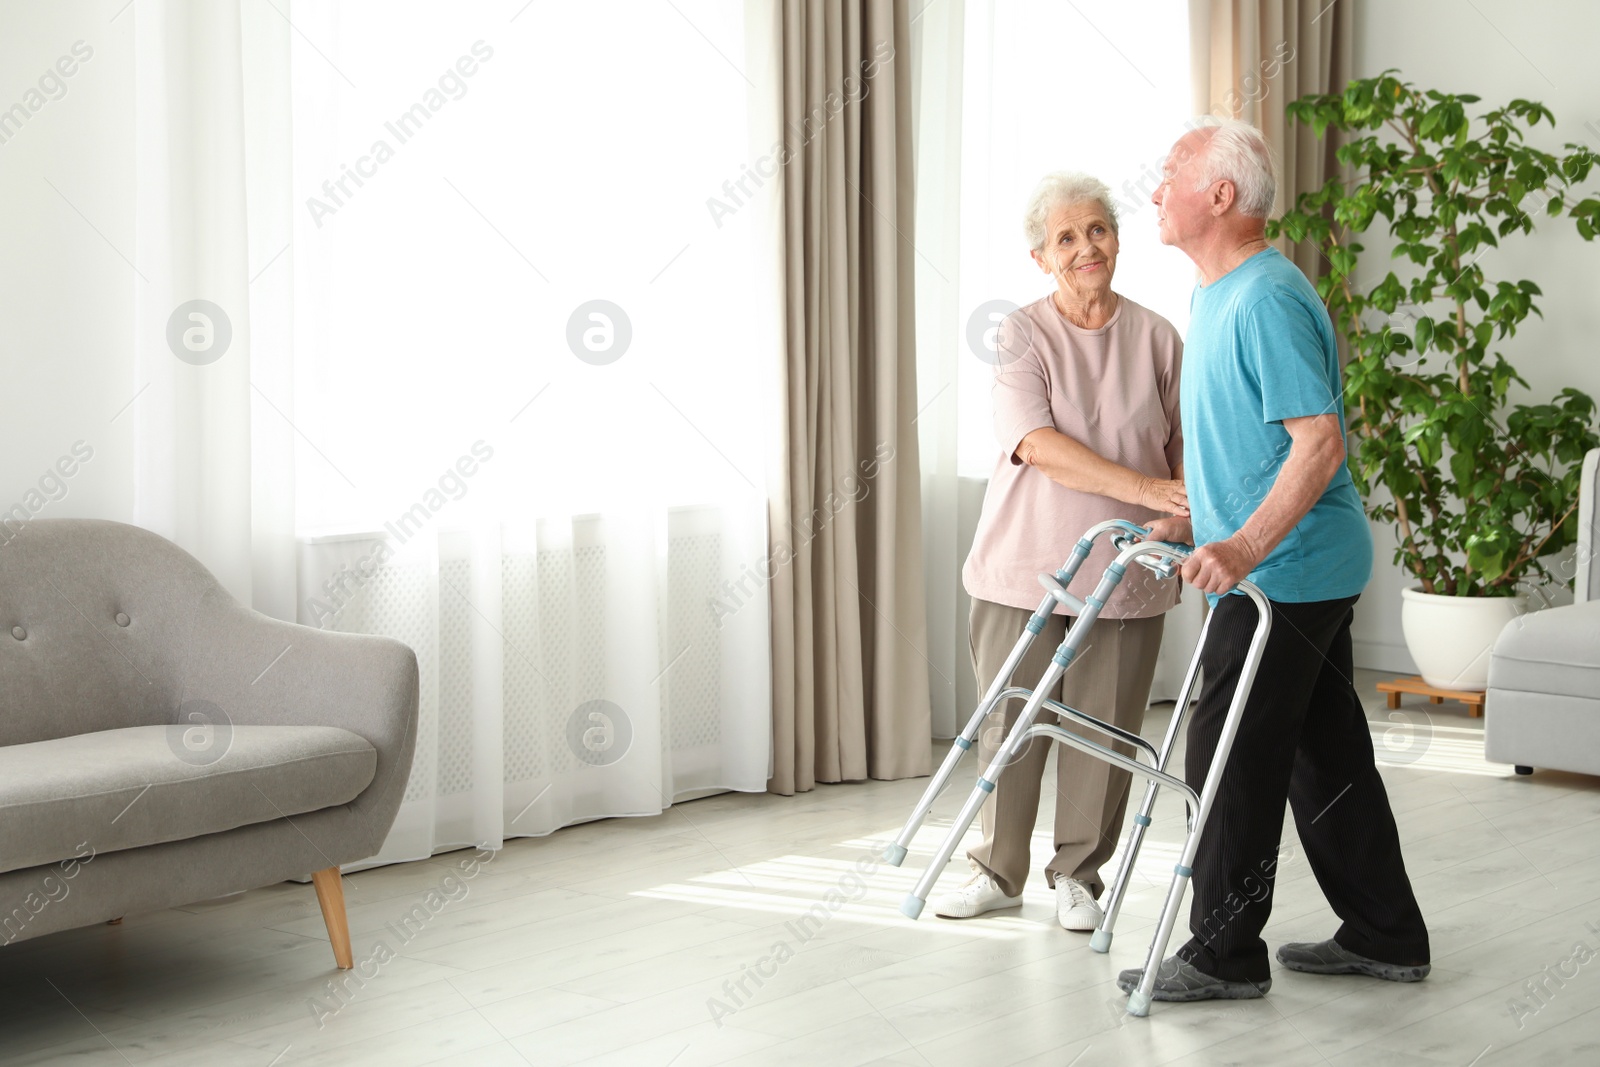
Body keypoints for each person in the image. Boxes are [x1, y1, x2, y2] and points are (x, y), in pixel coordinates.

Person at [1119, 119, 1430, 1002]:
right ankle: (1385, 931)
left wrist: (1244, 543)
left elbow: (1319, 444)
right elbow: (1246, 443)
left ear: (1219, 195)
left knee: (1230, 752)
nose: (1153, 192)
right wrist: (1200, 521)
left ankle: (1222, 954)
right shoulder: (1218, 295)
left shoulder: (1264, 298)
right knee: (1323, 752)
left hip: (1284, 575)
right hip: (1295, 567)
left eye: (1169, 174)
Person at [934, 171, 1188, 932]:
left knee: (1104, 732)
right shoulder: (1022, 332)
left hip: (1128, 571)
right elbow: (1037, 445)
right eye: (1067, 238)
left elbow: (1187, 450)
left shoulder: (1158, 336)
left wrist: (1178, 515)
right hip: (1027, 569)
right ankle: (996, 868)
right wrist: (1150, 490)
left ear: (1118, 238)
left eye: (1099, 230)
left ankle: (1078, 875)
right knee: (1010, 722)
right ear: (1041, 256)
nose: (1087, 247)